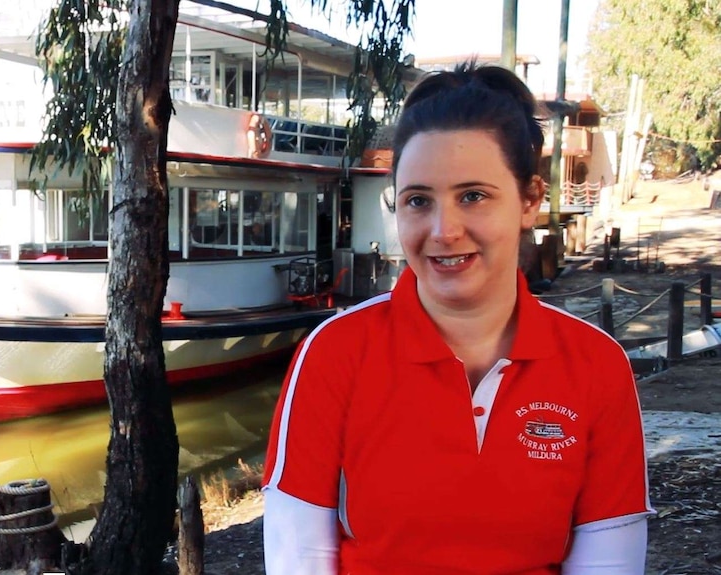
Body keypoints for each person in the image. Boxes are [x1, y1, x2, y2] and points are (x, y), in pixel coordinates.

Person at [261, 61, 653, 575]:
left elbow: (609, 560)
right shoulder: (335, 353)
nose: (444, 230)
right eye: (418, 201)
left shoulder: (596, 365)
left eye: (473, 196)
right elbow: (299, 559)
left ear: (530, 200)